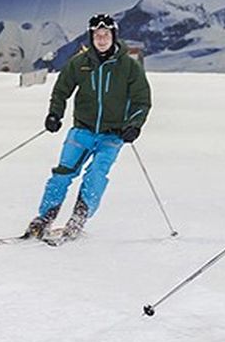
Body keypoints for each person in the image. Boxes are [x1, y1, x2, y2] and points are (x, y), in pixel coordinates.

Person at [25, 14, 151, 240]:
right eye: (97, 35)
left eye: (106, 35)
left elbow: (141, 100)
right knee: (62, 173)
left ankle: (78, 218)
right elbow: (61, 90)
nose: (101, 40)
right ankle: (44, 218)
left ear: (114, 36)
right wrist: (55, 114)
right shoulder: (79, 63)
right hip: (82, 131)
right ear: (91, 37)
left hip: (112, 135)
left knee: (96, 174)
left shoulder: (129, 66)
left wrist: (134, 125)